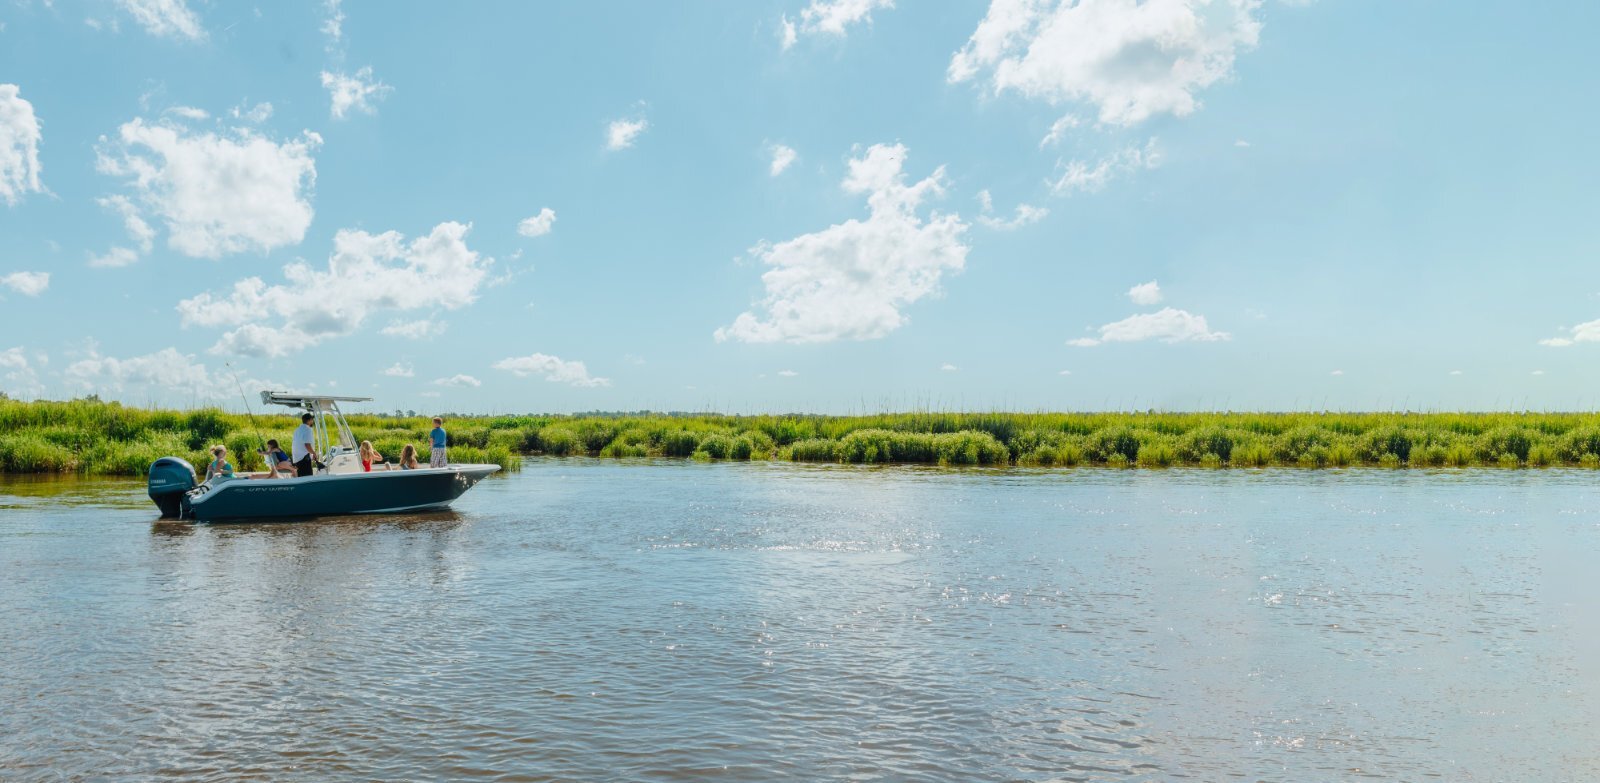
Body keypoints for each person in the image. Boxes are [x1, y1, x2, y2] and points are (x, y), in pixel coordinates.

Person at [292, 412, 318, 477]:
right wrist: (314, 453)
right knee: (308, 477)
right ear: (309, 420)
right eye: (312, 420)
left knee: (301, 476)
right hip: (304, 458)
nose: (312, 421)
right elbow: (307, 445)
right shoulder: (308, 429)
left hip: (297, 457)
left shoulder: (297, 430)